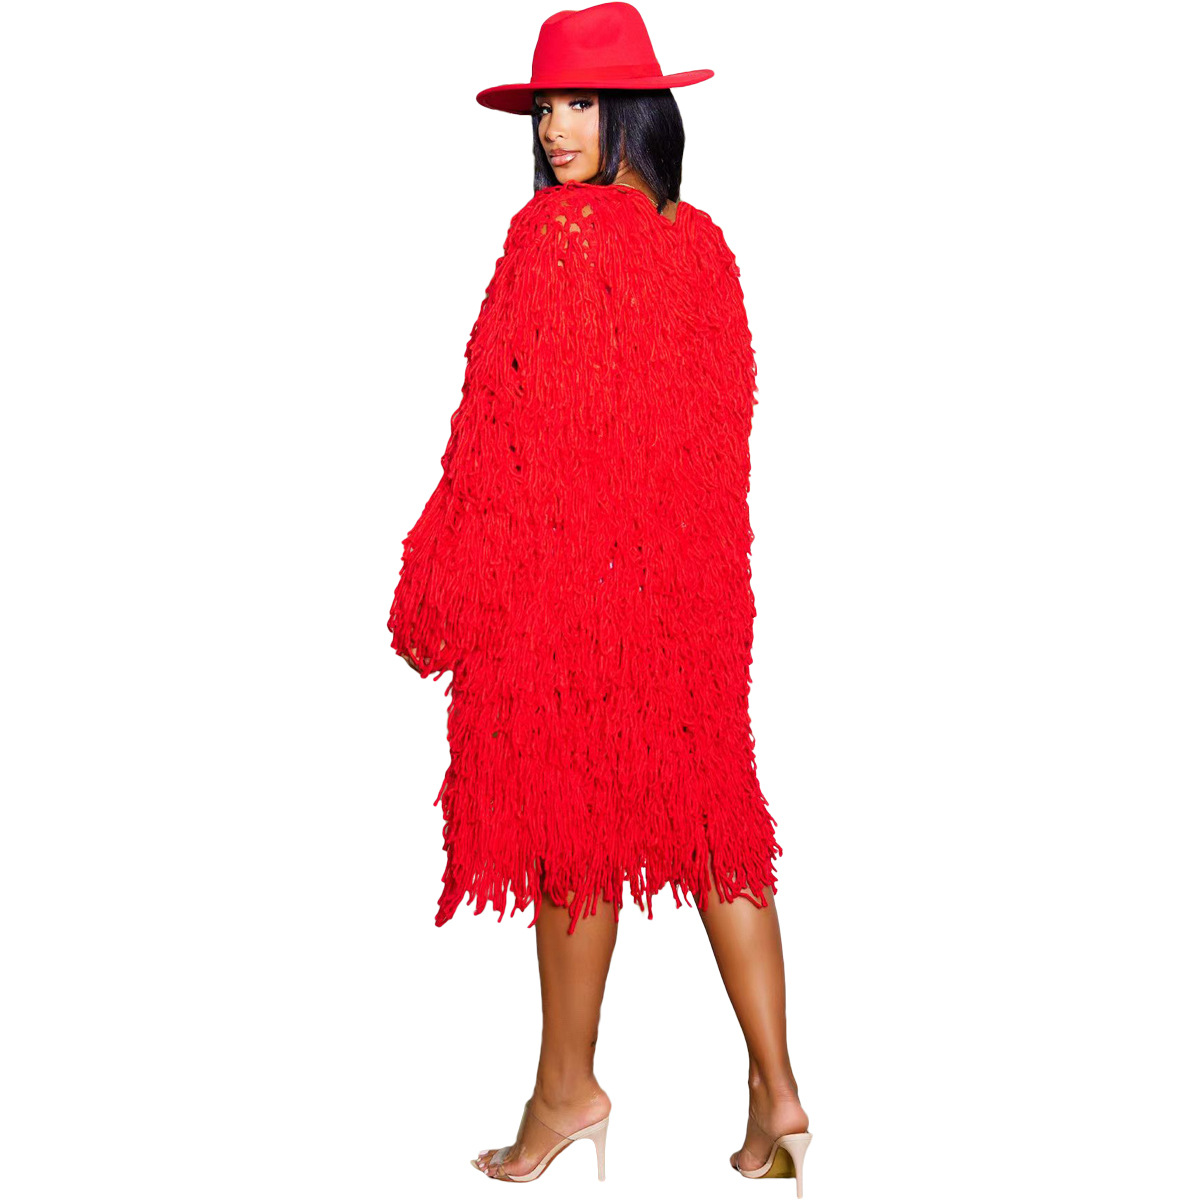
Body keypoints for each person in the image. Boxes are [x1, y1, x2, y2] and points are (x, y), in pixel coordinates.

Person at [387, 3, 813, 1189]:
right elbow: (723, 425)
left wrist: (435, 590)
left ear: (637, 111)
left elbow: (493, 435)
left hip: (572, 588)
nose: (557, 130)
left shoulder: (550, 241)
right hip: (688, 595)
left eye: (581, 104)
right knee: (718, 822)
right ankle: (778, 1093)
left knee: (572, 819)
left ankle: (565, 1093)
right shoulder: (704, 246)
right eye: (546, 109)